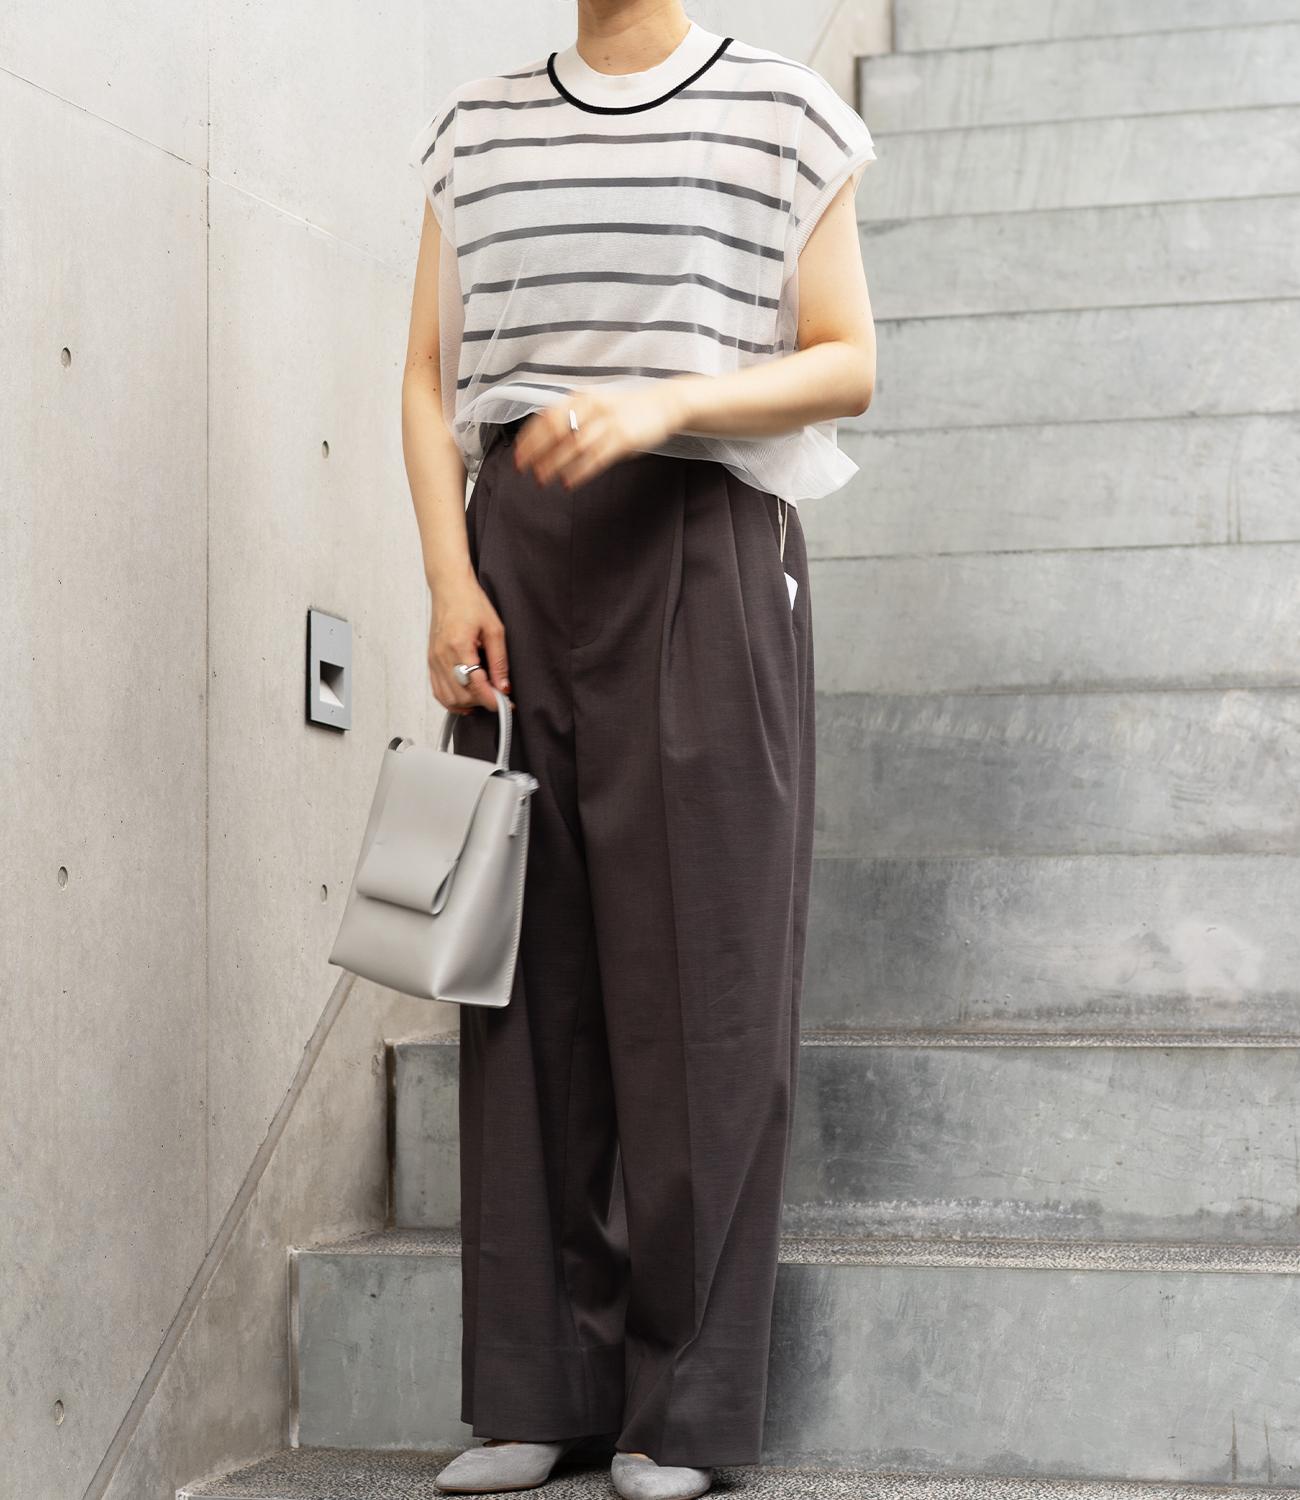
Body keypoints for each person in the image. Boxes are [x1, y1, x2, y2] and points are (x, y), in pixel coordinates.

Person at [400, 2, 876, 1495]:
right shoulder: (477, 128)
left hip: (701, 535)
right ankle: (536, 1388)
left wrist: (668, 399)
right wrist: (448, 575)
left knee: (704, 983)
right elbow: (426, 375)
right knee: (522, 978)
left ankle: (684, 1405)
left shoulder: (780, 112)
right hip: (517, 564)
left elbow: (847, 358)